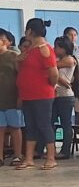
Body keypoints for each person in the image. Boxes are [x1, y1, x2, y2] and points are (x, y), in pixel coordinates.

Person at [15, 18, 58, 171]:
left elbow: (54, 73)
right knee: (31, 126)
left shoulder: (44, 49)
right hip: (28, 95)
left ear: (30, 31)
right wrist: (17, 61)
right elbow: (23, 70)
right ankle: (29, 158)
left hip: (42, 95)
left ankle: (51, 158)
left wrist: (50, 86)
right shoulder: (30, 49)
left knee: (44, 125)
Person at [52, 36, 79, 160]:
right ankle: (51, 149)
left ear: (64, 48)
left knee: (65, 124)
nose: (55, 49)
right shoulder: (58, 58)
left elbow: (51, 68)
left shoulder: (70, 59)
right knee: (50, 122)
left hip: (65, 96)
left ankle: (65, 151)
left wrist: (54, 75)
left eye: (57, 47)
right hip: (55, 95)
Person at [0, 28, 23, 167]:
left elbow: (21, 77)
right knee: (0, 129)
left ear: (4, 41)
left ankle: (17, 156)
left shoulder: (14, 56)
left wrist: (20, 97)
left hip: (13, 100)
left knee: (15, 128)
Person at [63, 26, 79, 100]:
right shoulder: (61, 48)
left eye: (75, 35)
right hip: (64, 80)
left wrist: (75, 76)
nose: (73, 37)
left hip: (78, 80)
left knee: (77, 102)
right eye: (70, 35)